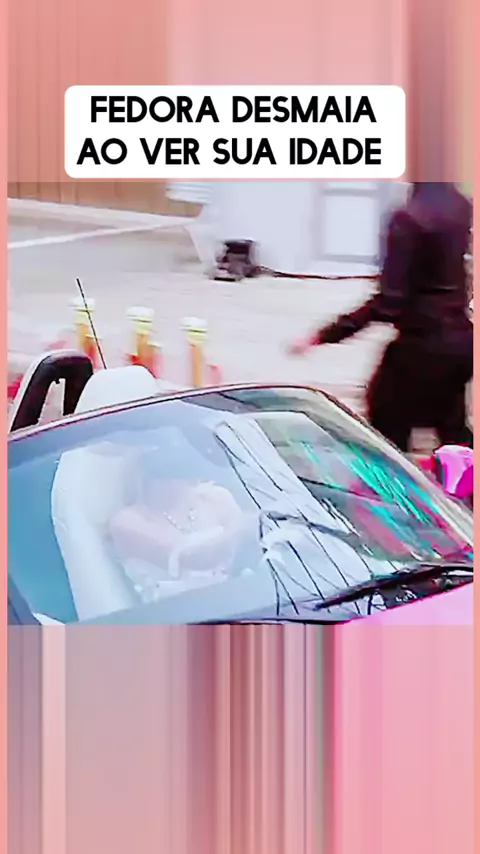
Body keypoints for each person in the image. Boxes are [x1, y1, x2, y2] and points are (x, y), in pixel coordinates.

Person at [288, 183, 473, 452]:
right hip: (461, 344)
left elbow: (389, 303)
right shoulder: (459, 205)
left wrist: (325, 335)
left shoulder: (409, 219)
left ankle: (392, 478)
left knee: (385, 427)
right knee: (451, 427)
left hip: (422, 347)